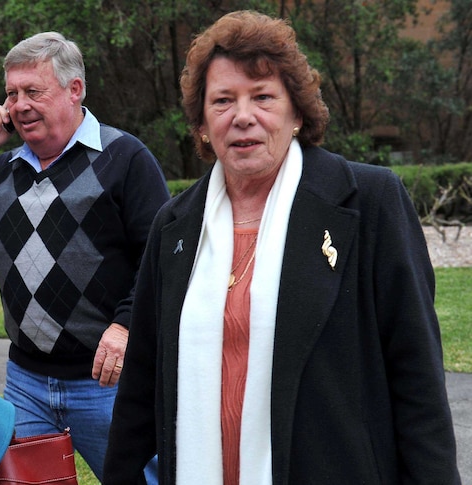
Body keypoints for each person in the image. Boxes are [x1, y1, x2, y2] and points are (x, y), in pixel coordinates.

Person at [104, 10, 460, 485]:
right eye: (223, 100)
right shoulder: (175, 224)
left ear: (297, 112)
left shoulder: (370, 202)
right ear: (204, 124)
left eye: (263, 97)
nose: (243, 116)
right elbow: (141, 385)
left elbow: (417, 377)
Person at [0, 31, 168, 482]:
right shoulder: (1, 169)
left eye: (32, 91)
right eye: (11, 93)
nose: (18, 105)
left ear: (74, 89)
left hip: (108, 382)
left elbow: (160, 258)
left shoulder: (124, 158)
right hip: (26, 381)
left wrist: (124, 326)